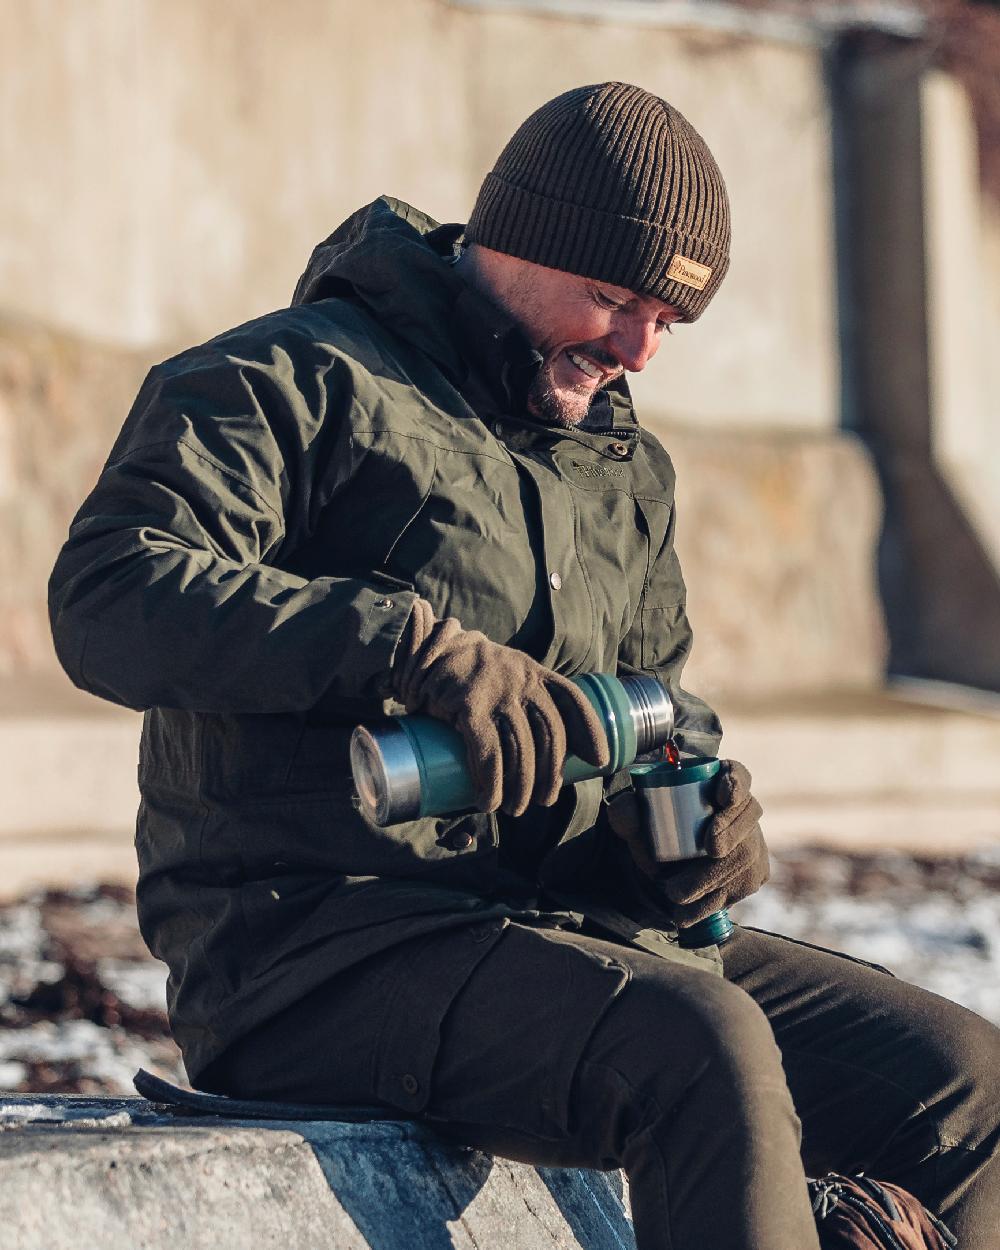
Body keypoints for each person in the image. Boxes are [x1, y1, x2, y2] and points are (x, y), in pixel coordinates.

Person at [48, 83, 998, 1248]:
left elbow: (656, 720)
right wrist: (404, 645)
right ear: (514, 239)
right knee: (697, 1044)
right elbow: (107, 595)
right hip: (319, 950)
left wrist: (688, 836)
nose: (639, 347)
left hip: (570, 932)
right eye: (613, 298)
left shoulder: (618, 463)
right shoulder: (293, 379)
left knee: (959, 1080)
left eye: (668, 320)